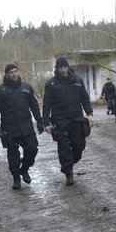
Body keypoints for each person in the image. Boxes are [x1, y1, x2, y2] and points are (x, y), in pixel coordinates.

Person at [0, 63, 44, 190]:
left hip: (26, 126)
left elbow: (34, 105)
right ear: (6, 75)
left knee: (32, 149)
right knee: (13, 155)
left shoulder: (26, 88)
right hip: (9, 129)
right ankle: (16, 177)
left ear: (18, 72)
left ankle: (24, 169)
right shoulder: (0, 90)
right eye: (11, 72)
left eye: (15, 71)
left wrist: (39, 121)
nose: (14, 74)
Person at [42, 57, 94, 185]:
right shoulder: (51, 84)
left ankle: (70, 162)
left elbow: (84, 98)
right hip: (60, 120)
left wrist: (90, 114)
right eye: (60, 68)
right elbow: (46, 104)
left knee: (79, 145)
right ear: (57, 68)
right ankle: (68, 172)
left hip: (77, 119)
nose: (63, 70)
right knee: (64, 147)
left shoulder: (77, 80)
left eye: (64, 67)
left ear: (68, 67)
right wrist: (46, 123)